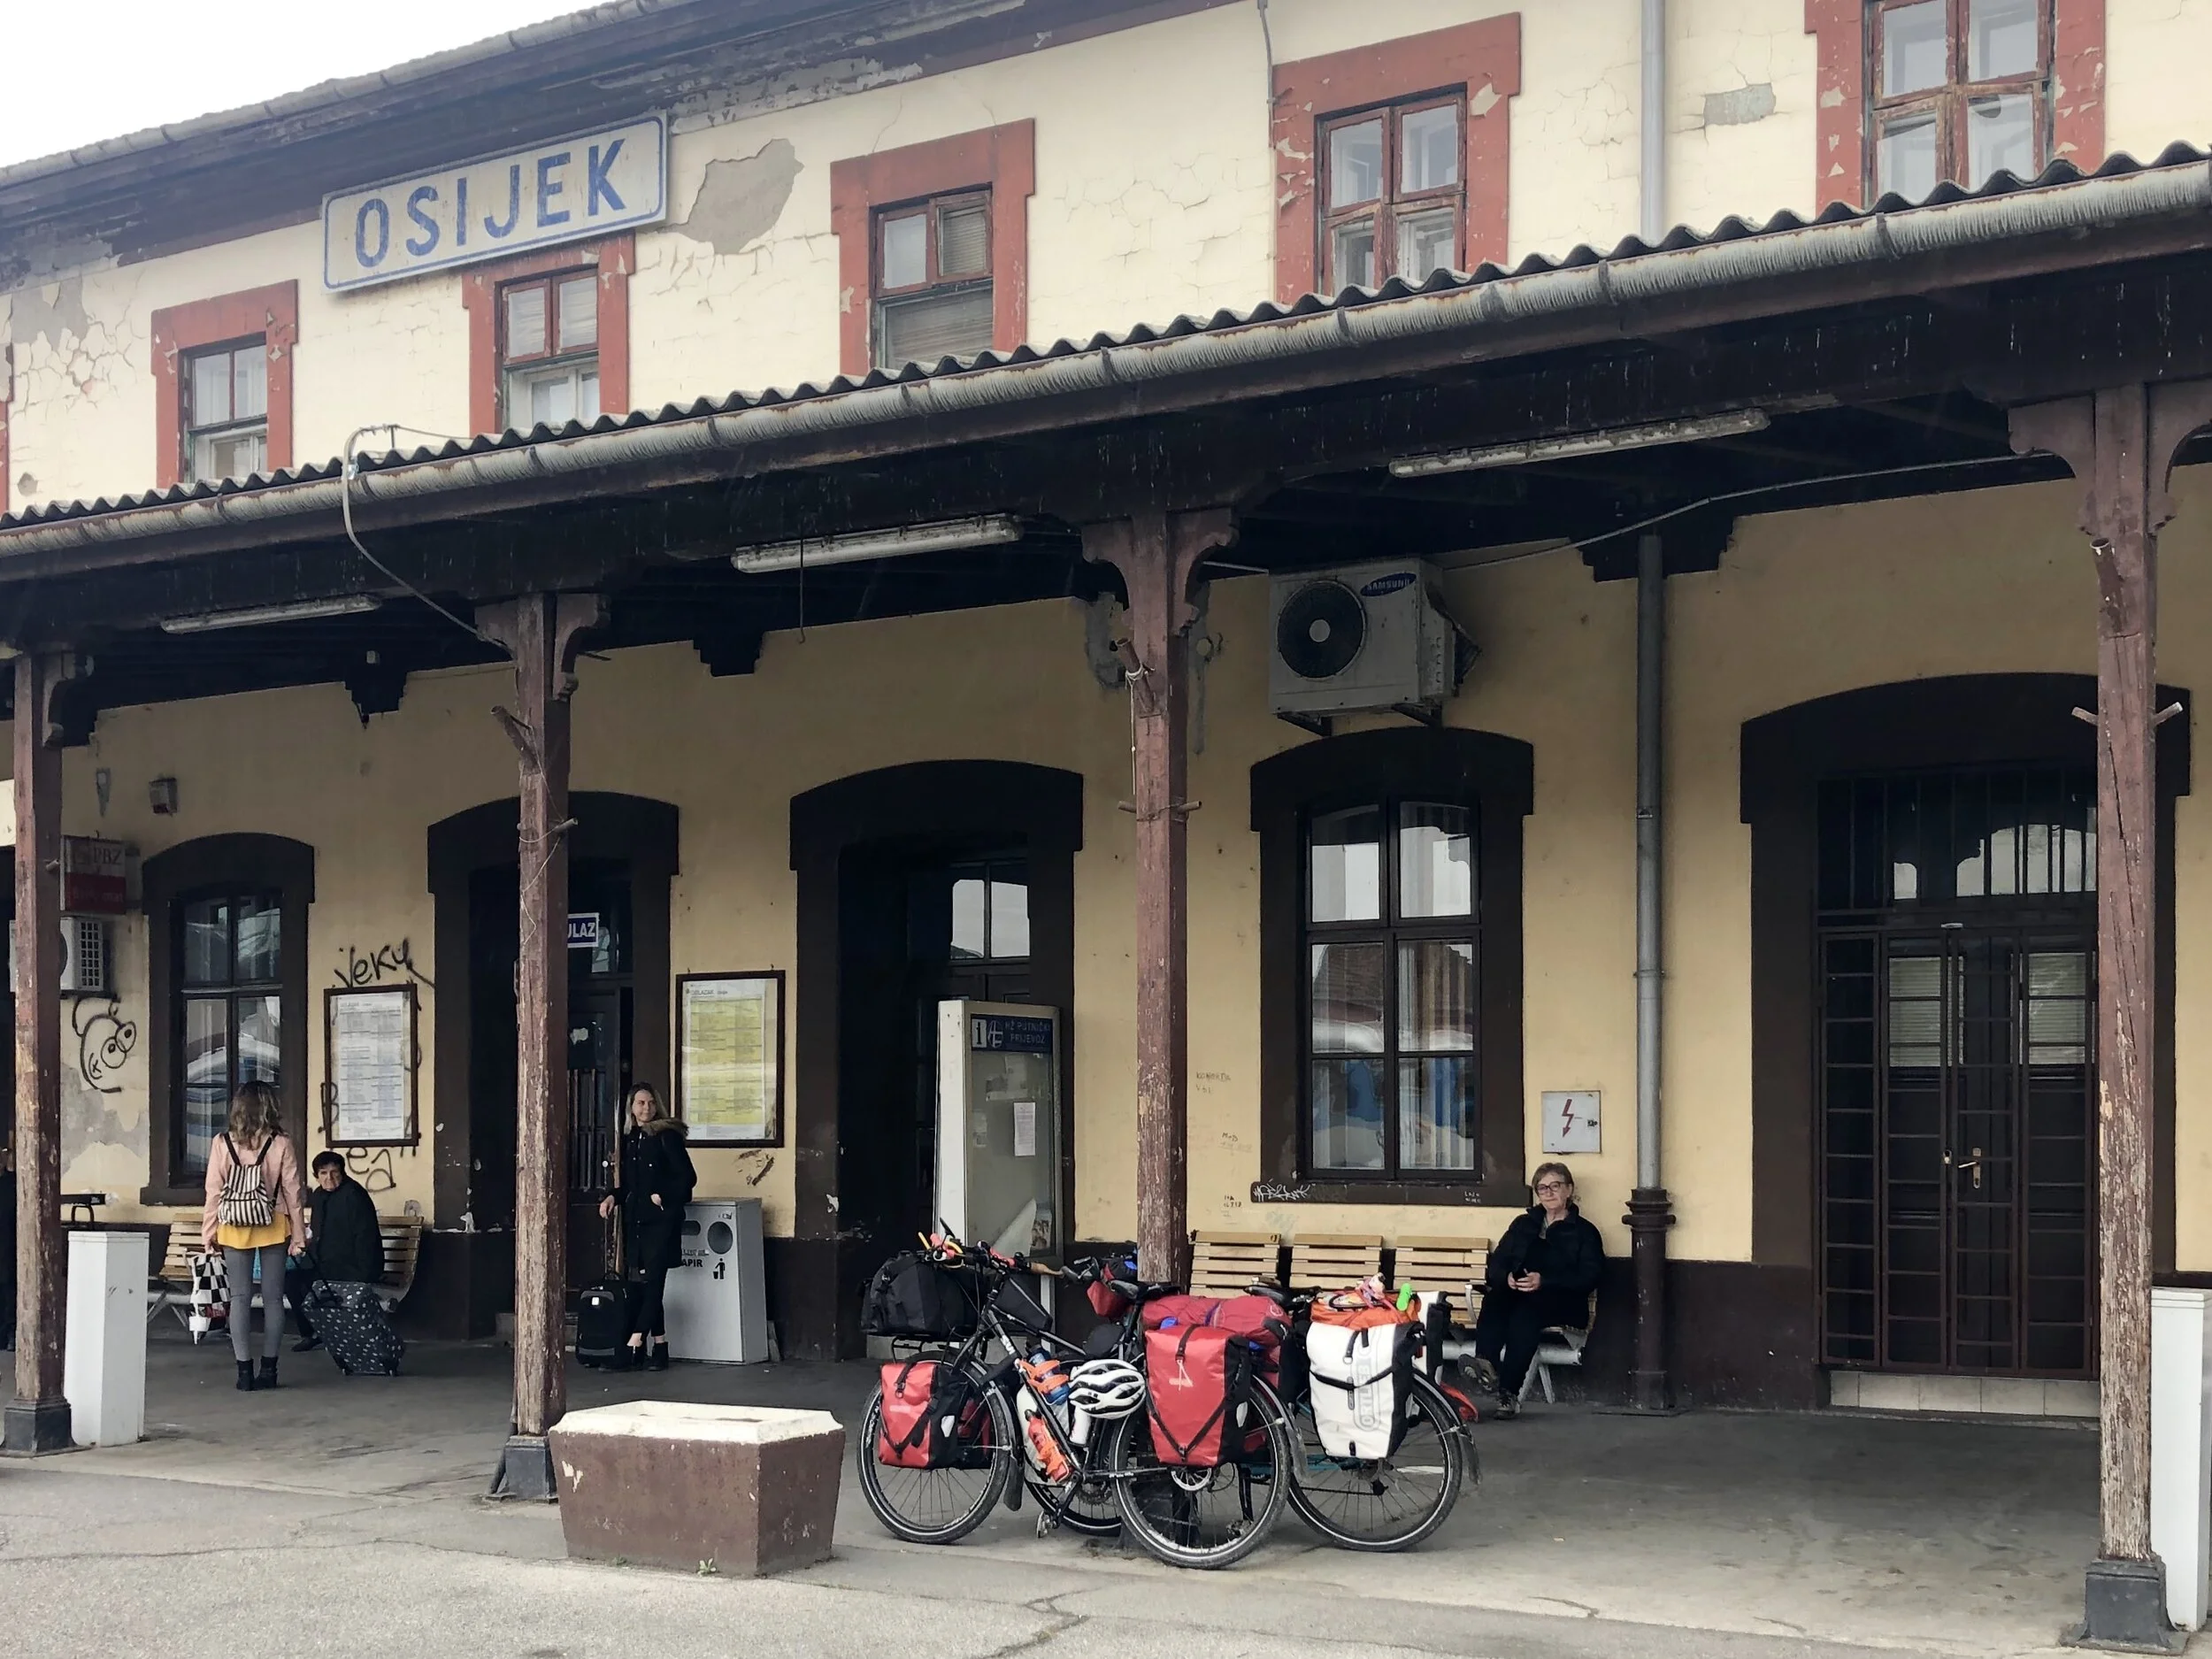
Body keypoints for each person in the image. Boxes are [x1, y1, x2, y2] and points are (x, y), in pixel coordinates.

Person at [1472, 1161, 1602, 1419]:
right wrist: (1506, 1277)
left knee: (1525, 1315)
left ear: (1569, 1190)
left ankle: (1508, 1393)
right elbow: (1497, 1262)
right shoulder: (1523, 1224)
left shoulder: (1584, 1232)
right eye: (1542, 1188)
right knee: (1496, 1298)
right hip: (1520, 1293)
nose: (1549, 1193)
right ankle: (1486, 1365)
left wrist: (1544, 1281)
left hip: (1563, 1302)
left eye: (1555, 1186)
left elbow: (1589, 1277)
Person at [202, 1081, 306, 1391]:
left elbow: (213, 1192)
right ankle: (270, 1371)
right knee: (274, 1299)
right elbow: (293, 1192)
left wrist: (208, 1232)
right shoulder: (281, 1143)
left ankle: (244, 1372)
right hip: (272, 1222)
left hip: (233, 1225)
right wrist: (298, 1235)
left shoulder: (222, 1142)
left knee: (239, 1298)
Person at [596, 1084, 695, 1371]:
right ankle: (660, 1346)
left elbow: (688, 1178)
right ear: (632, 1107)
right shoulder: (632, 1138)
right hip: (637, 1220)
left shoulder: (667, 1136)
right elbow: (630, 1182)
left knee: (654, 1283)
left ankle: (634, 1342)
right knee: (645, 1284)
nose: (646, 1108)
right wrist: (613, 1196)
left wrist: (662, 1193)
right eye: (640, 1103)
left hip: (663, 1220)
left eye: (651, 1103)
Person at [288, 1151, 383, 1353]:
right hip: (324, 1261)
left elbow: (366, 1237)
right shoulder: (319, 1195)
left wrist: (364, 1273)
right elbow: (317, 1230)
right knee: (293, 1281)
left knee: (325, 1287)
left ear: (342, 1173)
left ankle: (336, 1334)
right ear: (317, 1176)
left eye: (334, 1172)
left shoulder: (354, 1195)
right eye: (323, 1173)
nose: (329, 1178)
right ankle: (312, 1333)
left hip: (350, 1264)